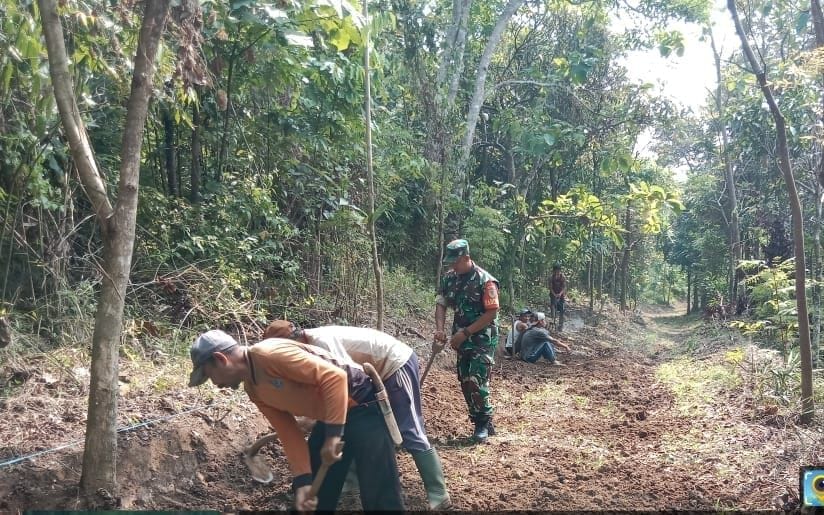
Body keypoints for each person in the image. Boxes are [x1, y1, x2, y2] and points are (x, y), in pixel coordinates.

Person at [187, 329, 405, 512]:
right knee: (311, 496)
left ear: (220, 359)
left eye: (209, 376)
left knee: (380, 494)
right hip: (330, 417)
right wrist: (303, 481)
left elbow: (335, 378)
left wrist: (332, 437)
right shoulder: (254, 390)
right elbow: (288, 432)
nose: (214, 384)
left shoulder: (268, 354)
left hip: (362, 403)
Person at [263, 320, 451, 509]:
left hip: (394, 363)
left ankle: (438, 492)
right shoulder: (304, 349)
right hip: (369, 374)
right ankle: (351, 480)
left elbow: (348, 379)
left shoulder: (320, 343)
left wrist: (316, 416)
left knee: (409, 427)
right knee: (353, 424)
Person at [434, 238, 500, 443]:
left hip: (482, 338)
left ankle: (482, 422)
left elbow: (492, 312)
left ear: (467, 258)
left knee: (476, 378)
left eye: (456, 262)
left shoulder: (485, 280)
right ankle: (481, 420)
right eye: (451, 262)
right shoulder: (450, 278)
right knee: (464, 380)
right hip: (460, 338)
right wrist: (439, 330)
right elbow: (441, 303)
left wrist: (466, 332)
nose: (453, 266)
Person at [549, 263, 567, 331]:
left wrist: (560, 294)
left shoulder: (562, 277)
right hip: (553, 295)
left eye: (558, 270)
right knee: (553, 309)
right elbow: (550, 288)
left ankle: (560, 326)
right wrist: (554, 294)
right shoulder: (551, 277)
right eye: (556, 271)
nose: (557, 272)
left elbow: (564, 287)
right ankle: (553, 323)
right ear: (554, 271)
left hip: (561, 295)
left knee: (562, 310)